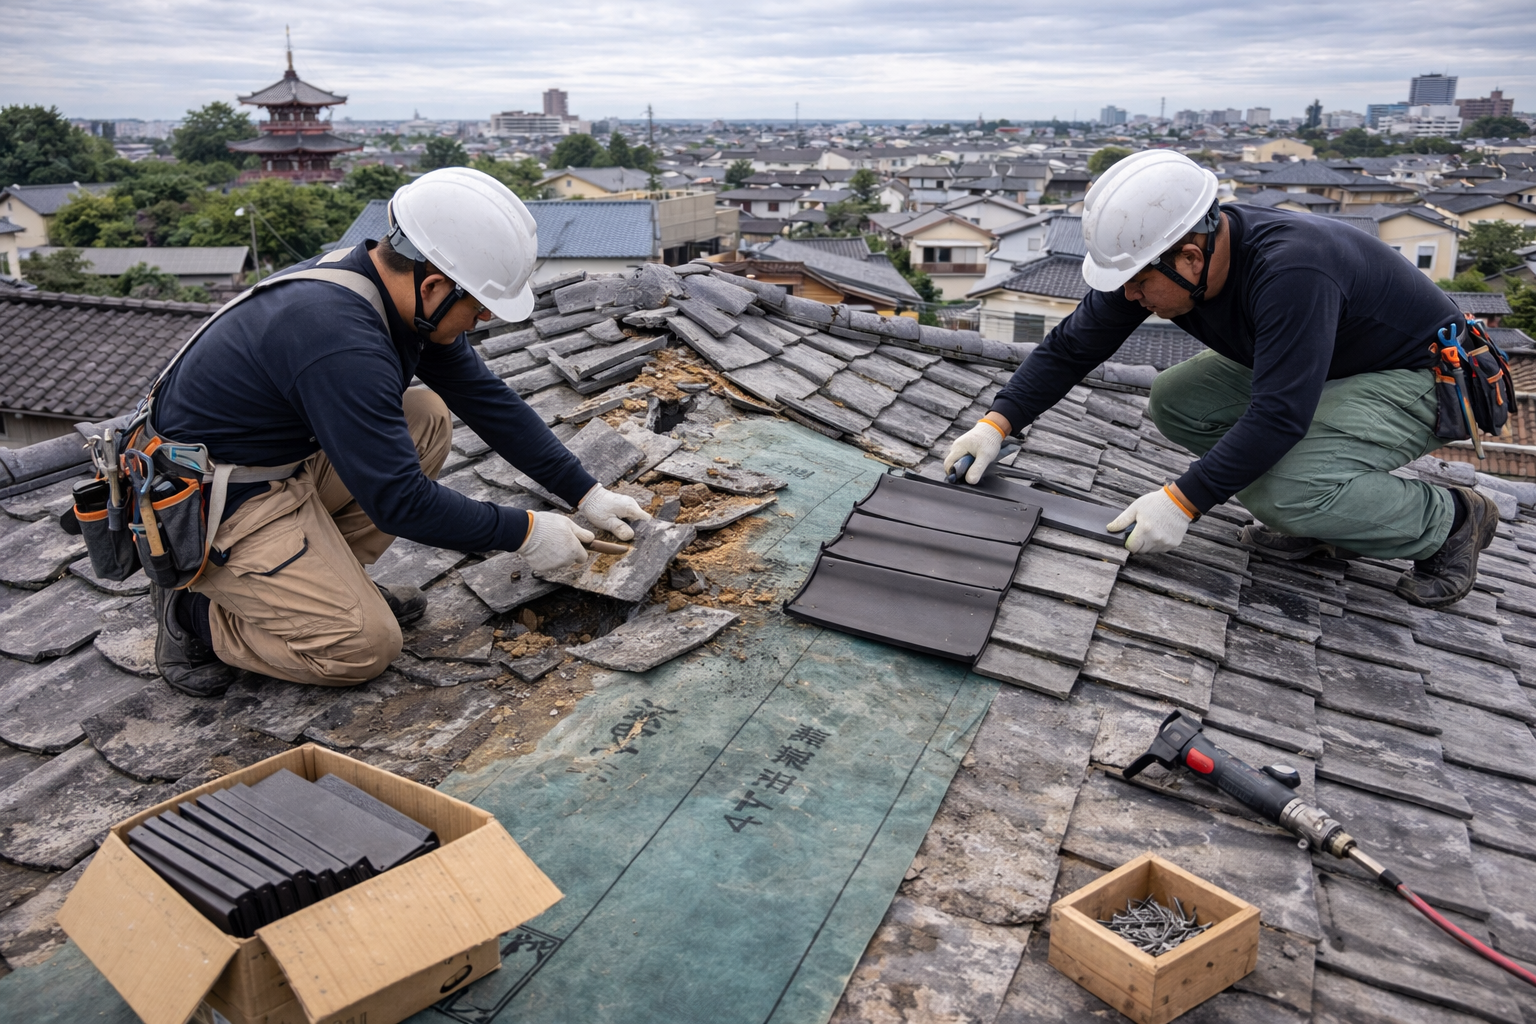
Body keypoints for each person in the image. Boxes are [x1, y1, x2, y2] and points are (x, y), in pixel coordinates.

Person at [149, 167, 649, 696]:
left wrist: (585, 491)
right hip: (211, 502)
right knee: (363, 648)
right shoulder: (337, 336)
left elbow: (486, 400)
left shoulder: (393, 289)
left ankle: (320, 580)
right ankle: (196, 614)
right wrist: (525, 532)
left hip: (277, 465)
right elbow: (400, 503)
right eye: (478, 307)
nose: (480, 321)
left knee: (424, 414)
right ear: (434, 284)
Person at [945, 149, 1498, 609]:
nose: (1129, 299)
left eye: (1137, 285)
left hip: (1423, 375)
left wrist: (1183, 501)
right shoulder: (1168, 259)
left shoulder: (1291, 272)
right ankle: (1328, 514)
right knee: (1177, 400)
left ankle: (1449, 521)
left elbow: (1280, 414)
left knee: (1285, 490)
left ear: (1189, 257)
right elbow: (1071, 348)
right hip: (1330, 362)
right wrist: (997, 423)